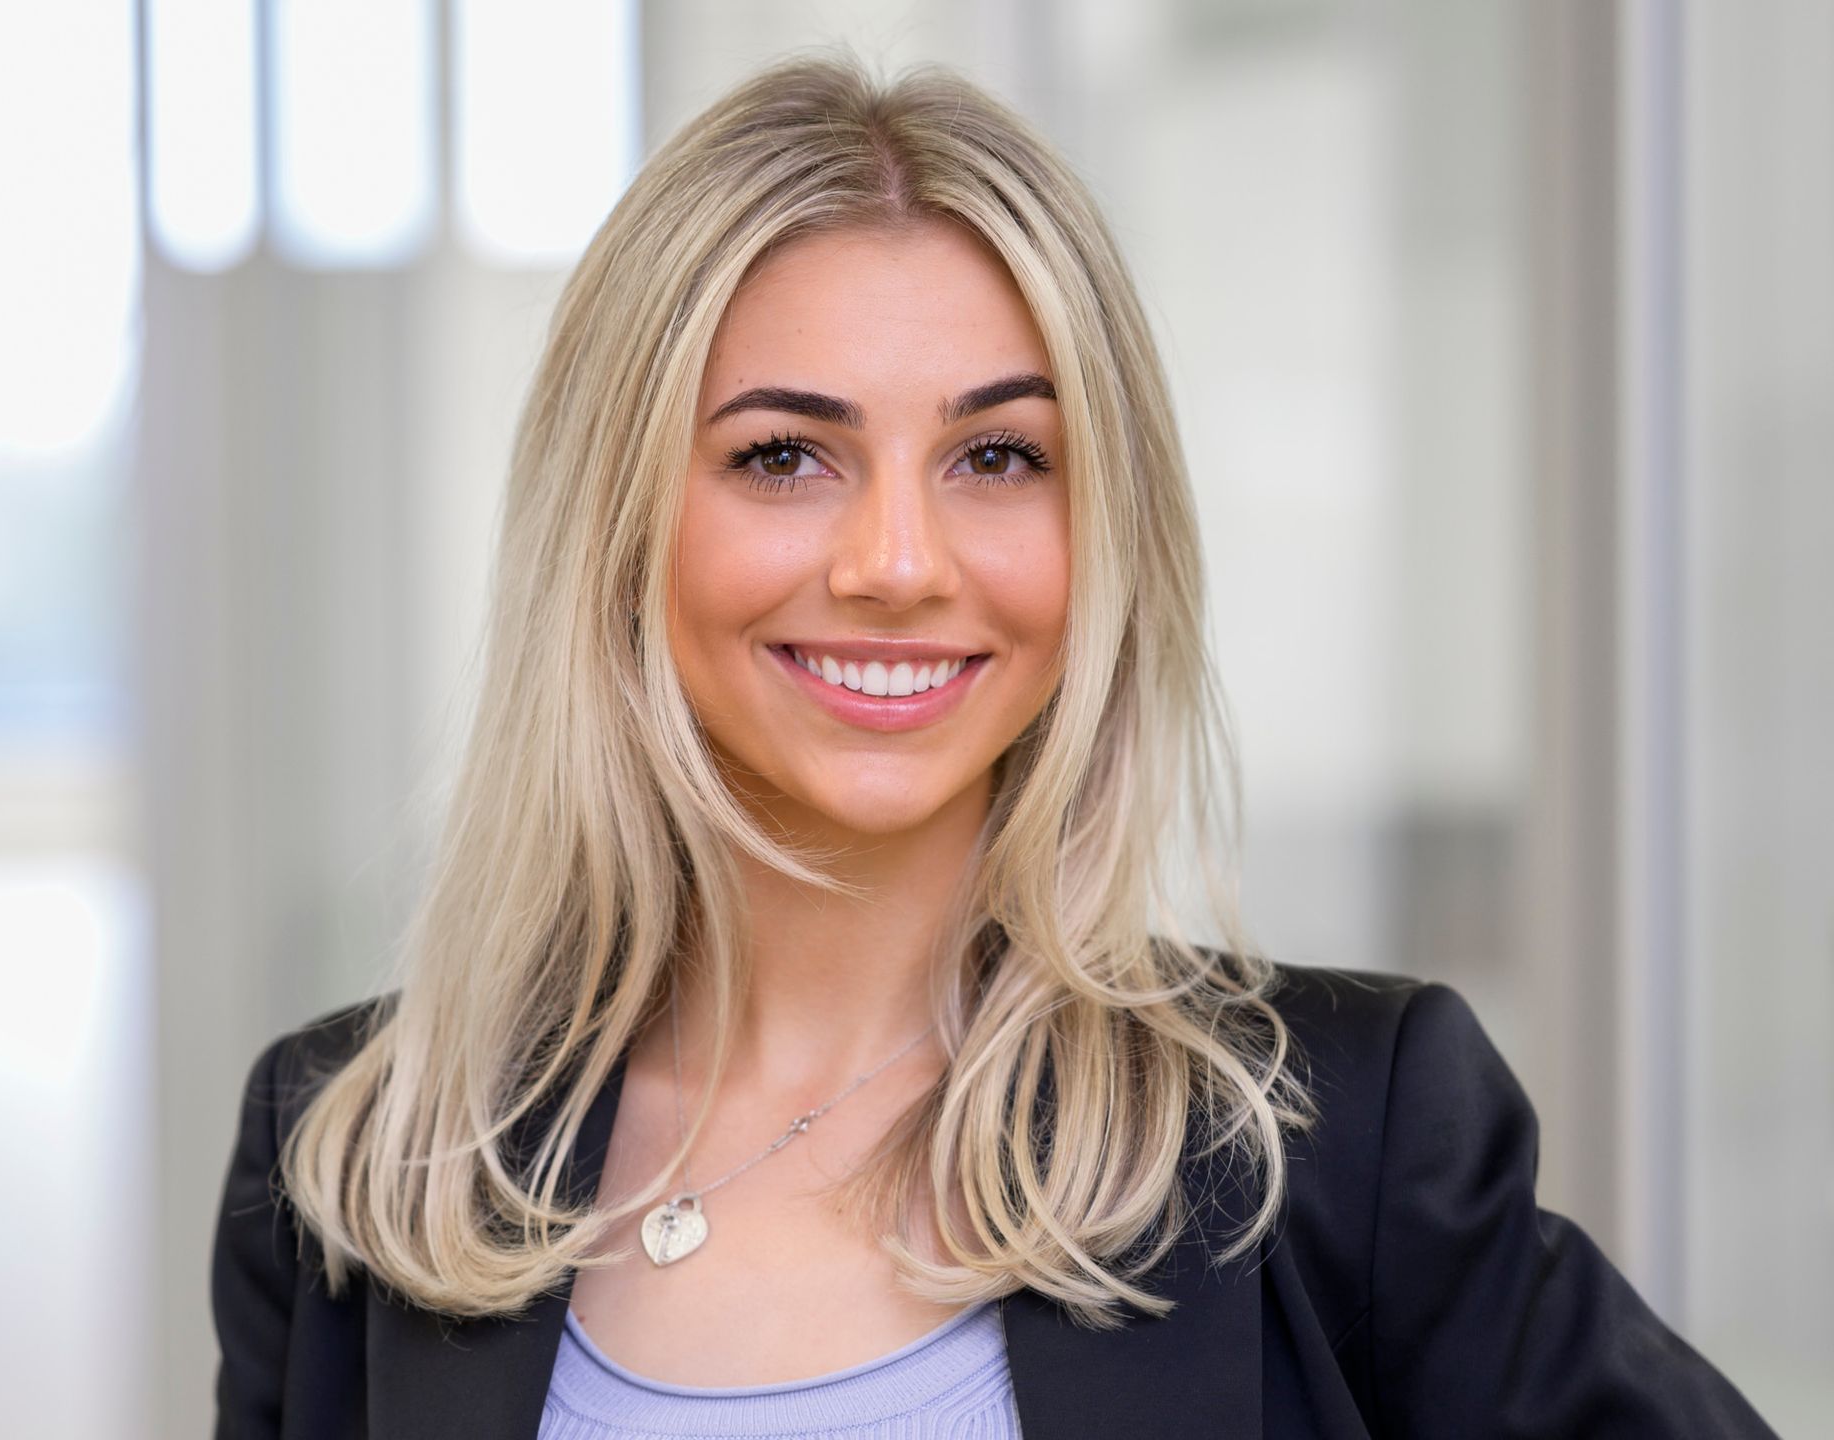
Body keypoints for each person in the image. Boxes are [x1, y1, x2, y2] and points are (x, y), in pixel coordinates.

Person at [211, 49, 1779, 1440]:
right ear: (616, 526)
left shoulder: (1339, 1149)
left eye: (996, 456)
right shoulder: (356, 1155)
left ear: (1101, 531)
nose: (899, 560)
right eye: (783, 455)